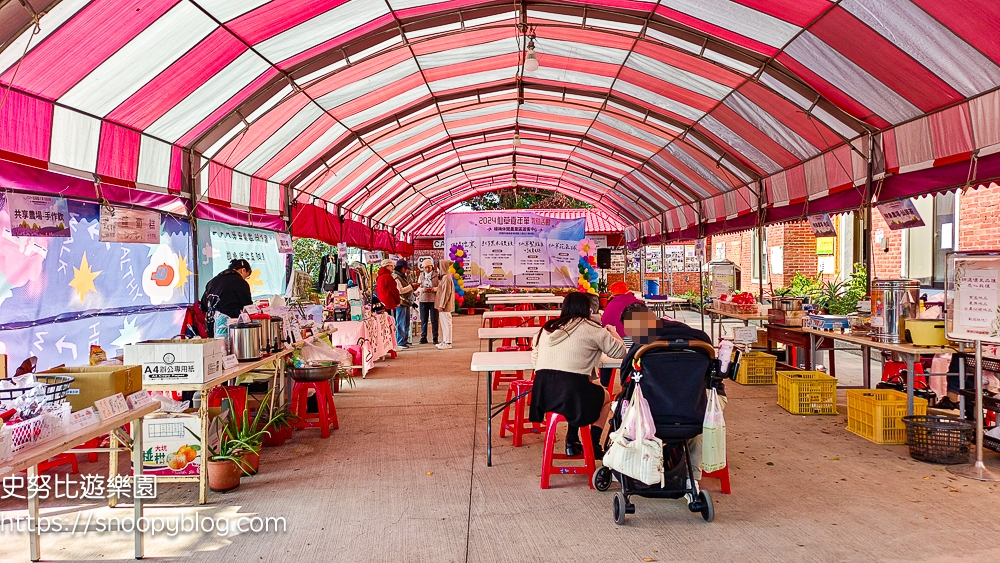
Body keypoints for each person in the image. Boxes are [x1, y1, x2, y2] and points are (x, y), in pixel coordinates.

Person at [620, 311, 726, 482]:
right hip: (697, 411)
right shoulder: (698, 338)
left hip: (653, 416)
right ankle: (693, 476)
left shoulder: (643, 344)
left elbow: (626, 379)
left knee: (625, 409)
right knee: (701, 420)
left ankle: (635, 467)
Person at [529, 291, 627, 458]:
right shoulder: (592, 329)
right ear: (588, 309)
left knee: (577, 389)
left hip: (544, 394)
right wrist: (612, 332)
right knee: (604, 396)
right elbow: (620, 352)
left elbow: (535, 360)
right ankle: (594, 443)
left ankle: (572, 440)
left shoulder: (545, 329)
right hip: (573, 394)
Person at [599, 281, 643, 386]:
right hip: (635, 346)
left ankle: (605, 383)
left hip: (613, 346)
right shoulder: (638, 303)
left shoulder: (610, 305)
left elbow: (604, 325)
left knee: (607, 348)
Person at [200, 259, 253, 335]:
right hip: (230, 330)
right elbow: (248, 308)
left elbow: (204, 306)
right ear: (243, 270)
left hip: (211, 329)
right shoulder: (240, 283)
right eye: (247, 276)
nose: (245, 279)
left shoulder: (212, 282)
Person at [392, 259, 418, 348]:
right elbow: (400, 291)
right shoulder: (396, 277)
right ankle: (400, 341)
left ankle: (404, 340)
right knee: (401, 322)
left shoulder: (402, 276)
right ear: (400, 268)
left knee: (406, 322)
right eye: (405, 268)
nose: (406, 270)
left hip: (406, 302)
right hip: (401, 302)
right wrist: (411, 286)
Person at [417, 259, 440, 344]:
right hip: (423, 299)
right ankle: (423, 337)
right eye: (425, 267)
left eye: (429, 267)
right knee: (424, 319)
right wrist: (423, 289)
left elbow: (440, 287)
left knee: (434, 320)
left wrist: (433, 289)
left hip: (433, 299)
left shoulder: (437, 275)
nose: (427, 269)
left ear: (432, 267)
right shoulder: (421, 275)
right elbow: (418, 287)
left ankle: (435, 337)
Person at [435, 259, 456, 349]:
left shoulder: (446, 278)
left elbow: (446, 293)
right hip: (443, 305)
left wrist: (442, 305)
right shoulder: (445, 277)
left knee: (446, 323)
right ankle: (445, 341)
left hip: (445, 306)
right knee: (444, 323)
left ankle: (447, 342)